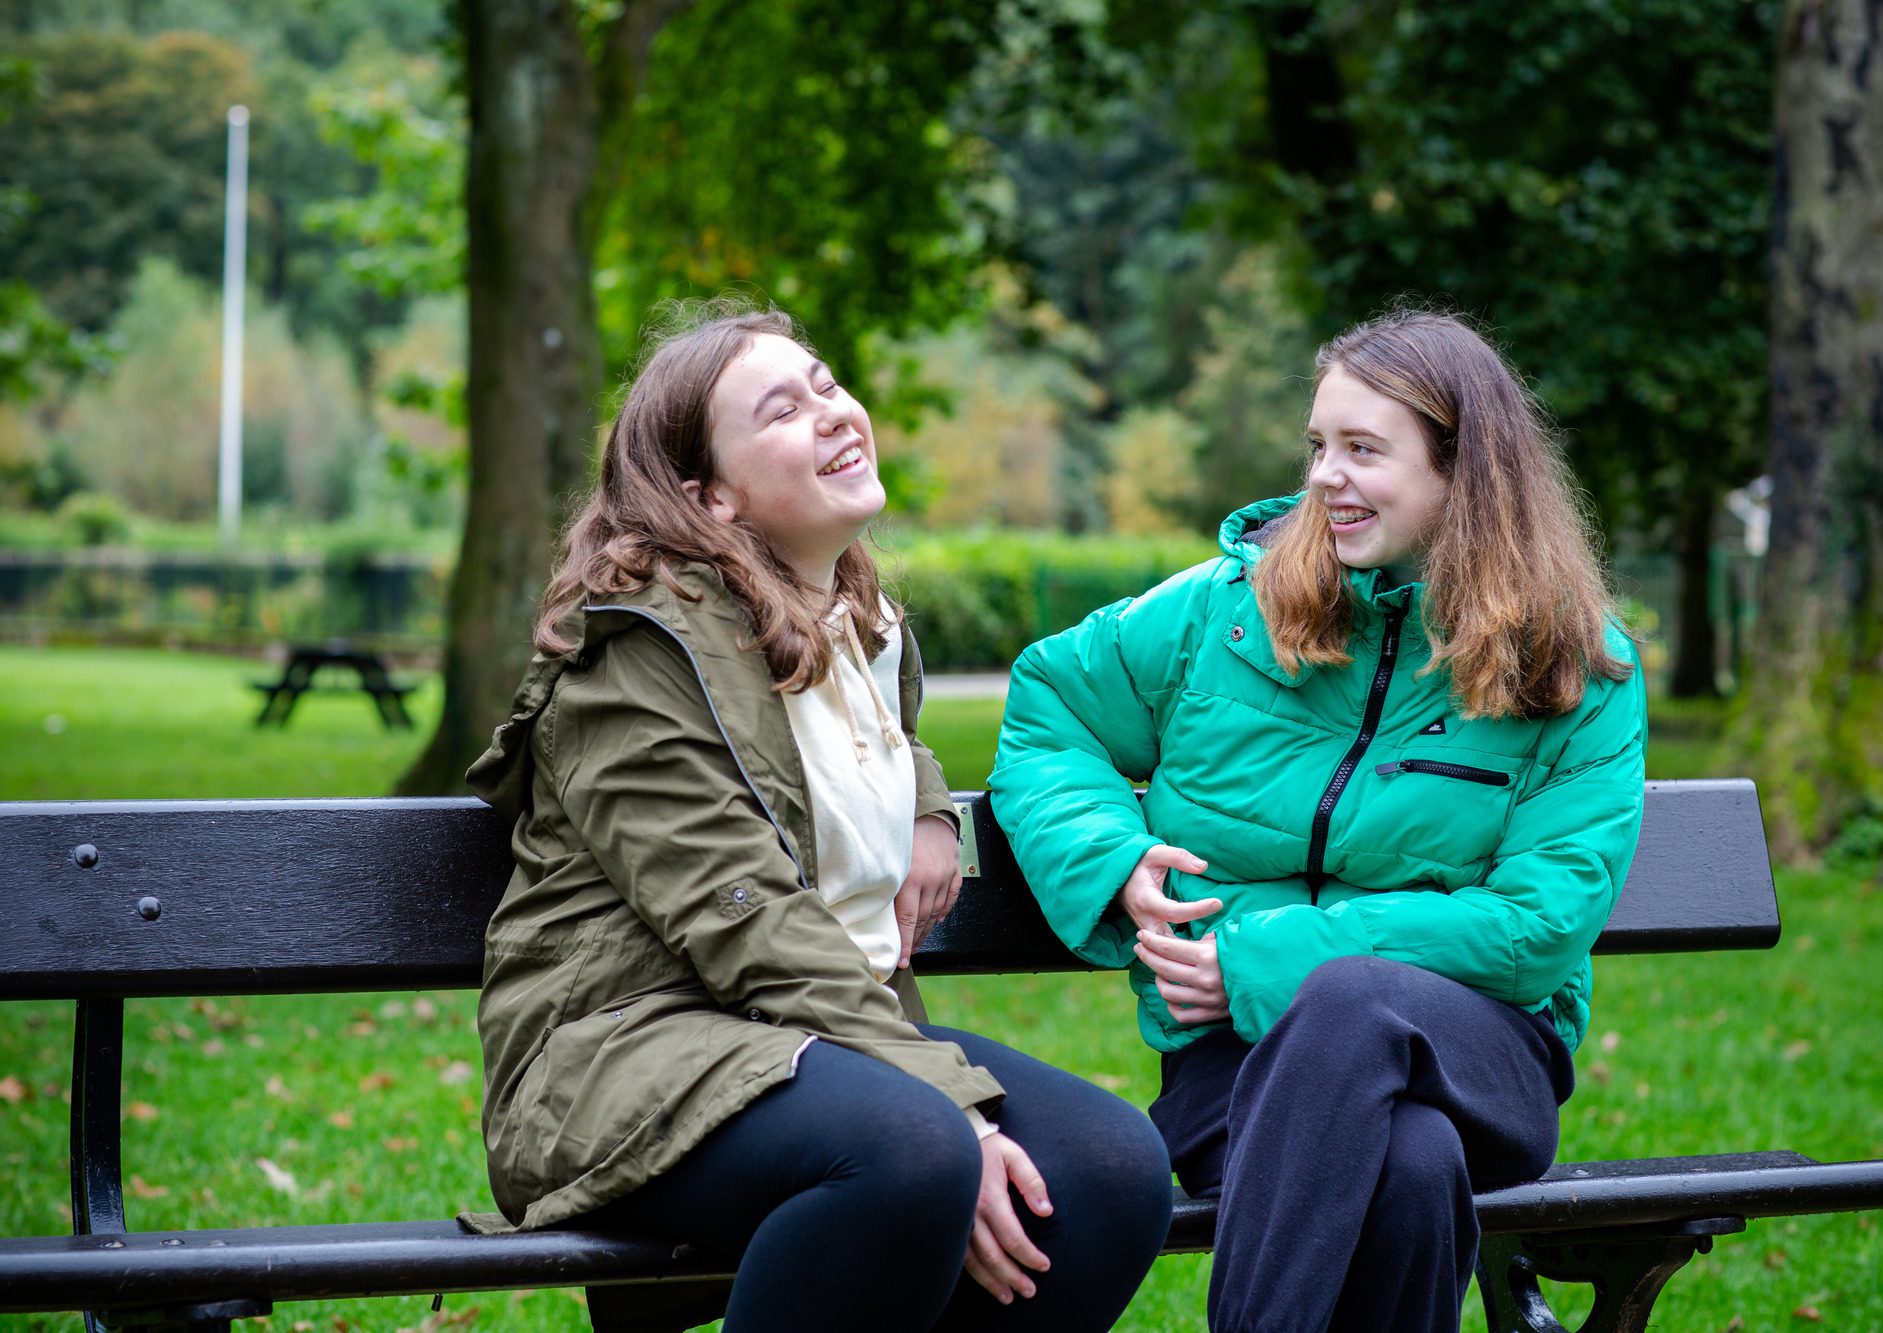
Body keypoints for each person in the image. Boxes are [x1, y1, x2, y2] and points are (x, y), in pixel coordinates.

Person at [466, 301, 1171, 1333]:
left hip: (807, 1039)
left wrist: (931, 802)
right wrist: (959, 1111)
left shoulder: (852, 622)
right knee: (915, 1151)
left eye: (827, 384)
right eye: (782, 410)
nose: (833, 411)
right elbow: (740, 913)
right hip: (625, 1050)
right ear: (709, 497)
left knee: (1109, 1170)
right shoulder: (635, 656)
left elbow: (837, 751)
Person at [990, 309, 1647, 1332]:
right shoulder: (1225, 613)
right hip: (1228, 1064)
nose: (1324, 477)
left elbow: (1537, 924)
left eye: (1362, 450)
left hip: (1480, 1052)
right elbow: (1048, 707)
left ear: (1460, 469)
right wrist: (1110, 860)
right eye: (1318, 446)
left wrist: (1260, 956)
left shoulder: (1571, 661)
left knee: (1348, 1000)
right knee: (1411, 1164)